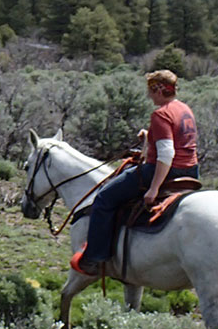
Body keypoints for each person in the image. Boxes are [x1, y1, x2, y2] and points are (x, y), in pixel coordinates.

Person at [72, 69, 199, 275]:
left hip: (165, 170)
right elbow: (177, 139)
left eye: (150, 90)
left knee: (104, 198)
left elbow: (166, 154)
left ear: (158, 89)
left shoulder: (161, 114)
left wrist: (154, 188)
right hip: (190, 170)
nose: (148, 95)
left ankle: (95, 257)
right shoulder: (184, 109)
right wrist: (150, 136)